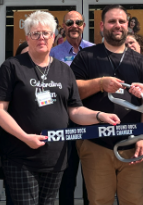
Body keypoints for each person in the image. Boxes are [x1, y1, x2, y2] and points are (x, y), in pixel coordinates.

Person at [0, 11, 121, 205]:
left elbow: (75, 111)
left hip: (55, 156)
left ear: (54, 37)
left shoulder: (64, 70)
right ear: (28, 37)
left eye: (46, 33)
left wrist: (100, 116)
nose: (41, 38)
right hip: (21, 155)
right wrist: (25, 137)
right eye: (35, 33)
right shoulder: (12, 67)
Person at [71, 5, 143, 205]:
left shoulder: (141, 62)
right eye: (112, 21)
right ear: (102, 26)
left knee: (134, 201)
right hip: (96, 144)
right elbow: (73, 91)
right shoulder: (87, 56)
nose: (117, 25)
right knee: (99, 201)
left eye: (121, 21)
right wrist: (100, 83)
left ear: (128, 26)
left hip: (134, 145)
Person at [51, 11, 93, 205]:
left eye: (78, 22)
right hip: (64, 121)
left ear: (84, 25)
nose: (74, 25)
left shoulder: (95, 51)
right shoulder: (53, 54)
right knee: (66, 178)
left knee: (91, 177)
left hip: (90, 121)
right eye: (70, 22)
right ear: (64, 26)